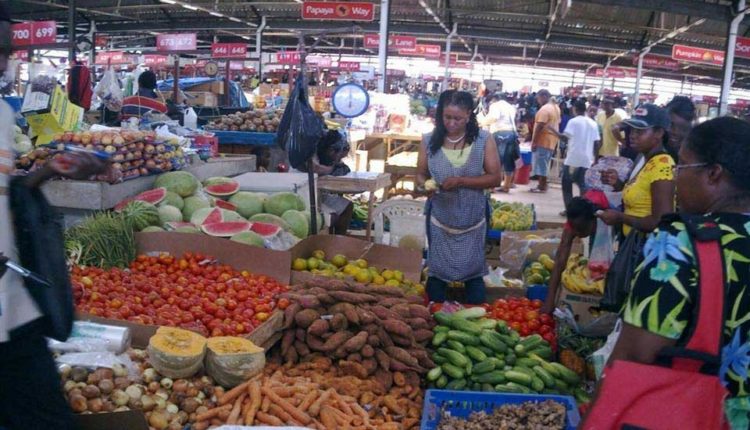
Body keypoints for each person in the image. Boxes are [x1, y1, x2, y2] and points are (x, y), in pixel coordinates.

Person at [586, 117, 750, 430]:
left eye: (682, 166)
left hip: (699, 415)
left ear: (713, 174)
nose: (675, 177)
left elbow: (636, 352)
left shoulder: (683, 242)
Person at [0, 9, 107, 427]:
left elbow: (7, 194)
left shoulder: (3, 116)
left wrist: (49, 172)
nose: (1, 63)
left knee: (49, 416)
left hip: (13, 304)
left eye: (6, 51)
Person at [417, 90, 502, 304]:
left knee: (473, 274)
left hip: (473, 221)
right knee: (437, 273)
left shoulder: (484, 140)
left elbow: (495, 178)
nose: (452, 123)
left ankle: (474, 314)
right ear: (440, 115)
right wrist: (422, 185)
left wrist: (462, 181)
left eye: (458, 118)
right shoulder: (428, 140)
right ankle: (434, 315)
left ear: (469, 116)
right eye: (447, 117)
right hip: (440, 221)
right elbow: (420, 174)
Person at [598, 104, 675, 237]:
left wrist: (620, 218)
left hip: (645, 249)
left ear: (659, 133)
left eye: (640, 131)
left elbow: (661, 222)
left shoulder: (663, 166)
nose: (632, 135)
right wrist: (617, 183)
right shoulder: (643, 159)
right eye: (632, 130)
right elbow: (641, 193)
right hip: (632, 243)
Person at [540, 196, 601, 314]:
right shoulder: (574, 220)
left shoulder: (608, 215)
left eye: (580, 229)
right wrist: (550, 300)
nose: (576, 233)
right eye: (574, 228)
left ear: (593, 220)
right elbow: (559, 261)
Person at [297, 129, 354, 235]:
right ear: (331, 150)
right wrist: (333, 167)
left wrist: (337, 165)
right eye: (339, 155)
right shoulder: (311, 154)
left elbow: (344, 169)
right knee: (332, 216)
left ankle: (339, 240)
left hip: (319, 194)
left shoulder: (328, 156)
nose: (338, 159)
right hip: (304, 195)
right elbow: (318, 169)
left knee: (348, 206)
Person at [558, 100, 600, 213]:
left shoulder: (573, 121)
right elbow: (597, 143)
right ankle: (582, 210)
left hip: (573, 160)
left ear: (575, 109)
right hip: (587, 160)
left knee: (567, 186)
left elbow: (564, 138)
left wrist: (552, 131)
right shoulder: (593, 123)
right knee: (583, 186)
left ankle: (570, 210)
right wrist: (595, 159)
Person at [480, 93, 518, 193]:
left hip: (500, 133)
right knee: (508, 160)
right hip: (512, 133)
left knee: (496, 160)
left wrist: (481, 121)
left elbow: (494, 118)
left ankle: (492, 187)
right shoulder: (510, 107)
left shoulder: (495, 105)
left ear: (494, 99)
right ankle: (506, 185)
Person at [530, 89, 560, 193]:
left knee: (541, 164)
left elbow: (539, 126)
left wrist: (534, 141)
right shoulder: (555, 107)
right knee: (545, 163)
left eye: (538, 98)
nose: (538, 100)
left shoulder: (545, 109)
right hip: (551, 141)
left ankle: (541, 186)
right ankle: (543, 185)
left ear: (543, 96)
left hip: (543, 140)